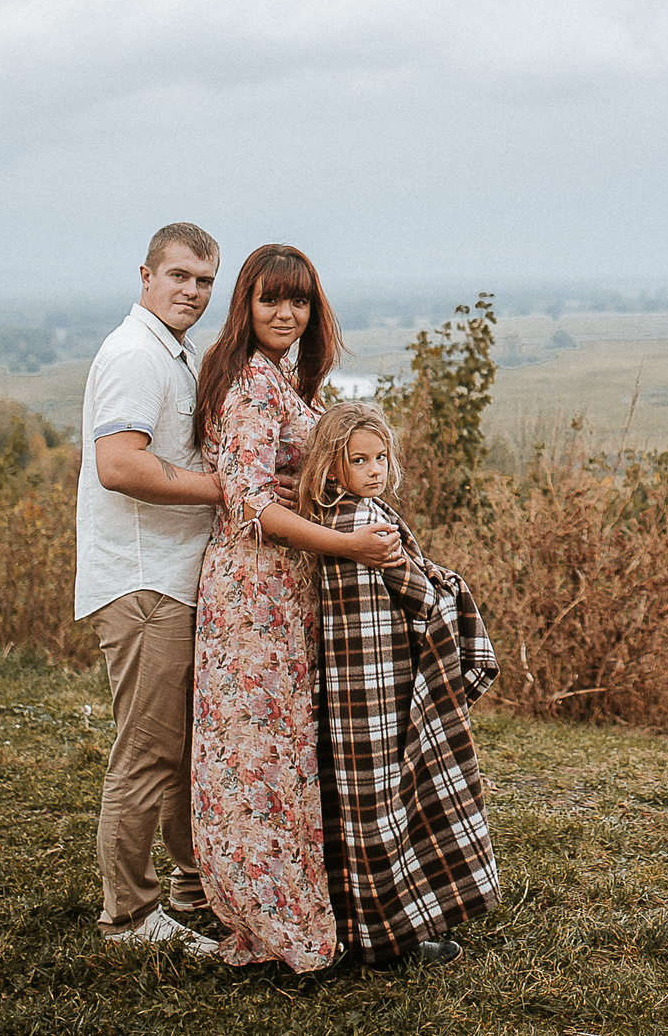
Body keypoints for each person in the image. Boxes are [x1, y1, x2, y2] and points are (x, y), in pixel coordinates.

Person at [77, 226, 396, 957]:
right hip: (144, 577)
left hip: (190, 573)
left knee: (206, 749)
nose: (191, 291)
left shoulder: (190, 356)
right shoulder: (135, 355)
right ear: (146, 275)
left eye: (203, 280)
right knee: (151, 751)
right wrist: (234, 489)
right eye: (178, 276)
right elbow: (119, 466)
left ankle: (199, 888)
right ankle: (129, 916)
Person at [187, 243, 402, 970]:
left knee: (282, 751)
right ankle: (281, 926)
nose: (286, 313)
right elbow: (248, 504)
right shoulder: (253, 383)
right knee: (257, 759)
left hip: (283, 589)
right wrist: (348, 546)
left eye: (299, 300)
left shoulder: (281, 378)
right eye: (271, 299)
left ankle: (303, 912)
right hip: (252, 594)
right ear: (245, 304)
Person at [302, 399, 500, 969]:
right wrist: (450, 591)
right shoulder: (366, 524)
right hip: (382, 685)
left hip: (347, 687)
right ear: (331, 465)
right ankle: (393, 937)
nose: (374, 470)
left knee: (353, 803)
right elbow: (420, 595)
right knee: (392, 801)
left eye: (381, 457)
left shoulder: (325, 520)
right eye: (358, 460)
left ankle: (361, 925)